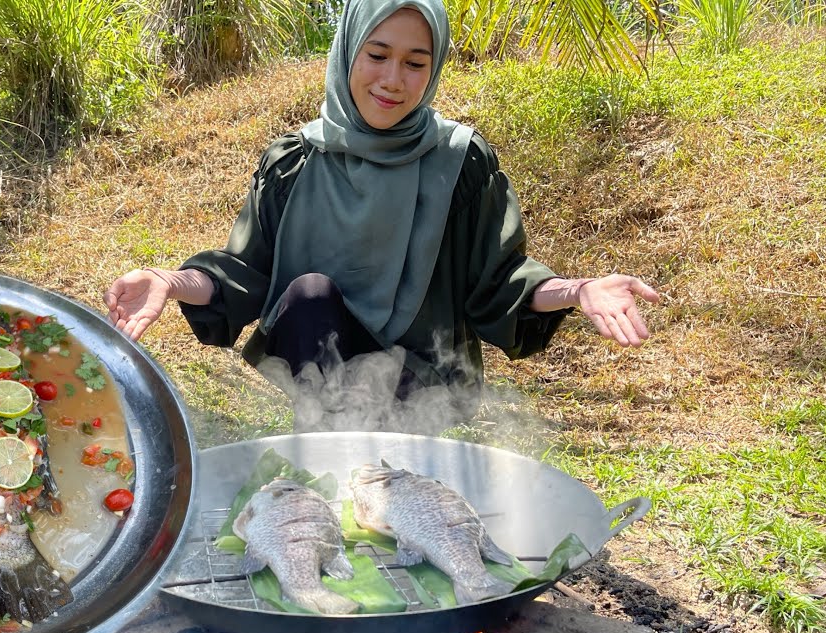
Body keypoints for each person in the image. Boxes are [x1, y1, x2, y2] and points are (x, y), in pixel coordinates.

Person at [104, 0, 660, 430]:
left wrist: (578, 289)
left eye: (415, 63)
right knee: (308, 296)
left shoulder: (460, 164)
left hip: (423, 394)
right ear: (348, 49)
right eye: (377, 55)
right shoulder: (294, 163)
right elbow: (243, 275)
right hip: (322, 382)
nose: (393, 80)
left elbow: (499, 282)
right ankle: (341, 467)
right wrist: (168, 280)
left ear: (434, 69)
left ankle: (374, 470)